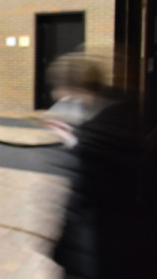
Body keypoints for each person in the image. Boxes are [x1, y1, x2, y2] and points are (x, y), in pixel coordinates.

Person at [48, 51, 157, 278]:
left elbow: (88, 195)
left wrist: (79, 142)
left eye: (61, 89)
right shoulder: (127, 113)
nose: (56, 94)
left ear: (78, 88)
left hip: (102, 251)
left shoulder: (99, 137)